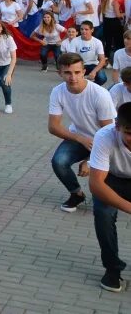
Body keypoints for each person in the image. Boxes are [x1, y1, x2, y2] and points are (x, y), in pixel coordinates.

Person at [48, 52, 116, 213]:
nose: (73, 77)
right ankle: (76, 194)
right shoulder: (57, 92)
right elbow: (53, 127)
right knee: (59, 161)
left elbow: (110, 133)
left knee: (104, 198)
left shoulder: (100, 94)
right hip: (79, 137)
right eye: (68, 73)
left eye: (77, 72)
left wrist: (90, 160)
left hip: (106, 142)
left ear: (84, 71)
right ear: (60, 73)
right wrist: (80, 138)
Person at [87, 101, 131, 291]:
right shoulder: (104, 136)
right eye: (129, 132)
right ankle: (112, 269)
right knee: (103, 215)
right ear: (117, 127)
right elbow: (96, 184)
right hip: (110, 178)